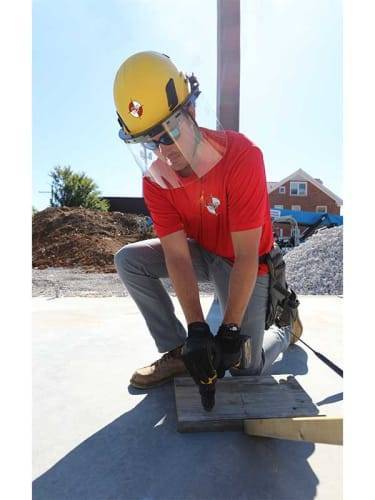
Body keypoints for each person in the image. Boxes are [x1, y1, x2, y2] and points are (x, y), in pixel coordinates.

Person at [113, 51, 303, 390]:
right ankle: (179, 353)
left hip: (246, 262)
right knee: (129, 260)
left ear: (191, 112)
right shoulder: (157, 181)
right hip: (204, 251)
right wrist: (197, 331)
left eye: (169, 132)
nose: (164, 151)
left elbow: (246, 256)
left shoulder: (242, 158)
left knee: (245, 367)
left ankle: (285, 328)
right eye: (150, 141)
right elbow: (176, 256)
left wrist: (229, 331)